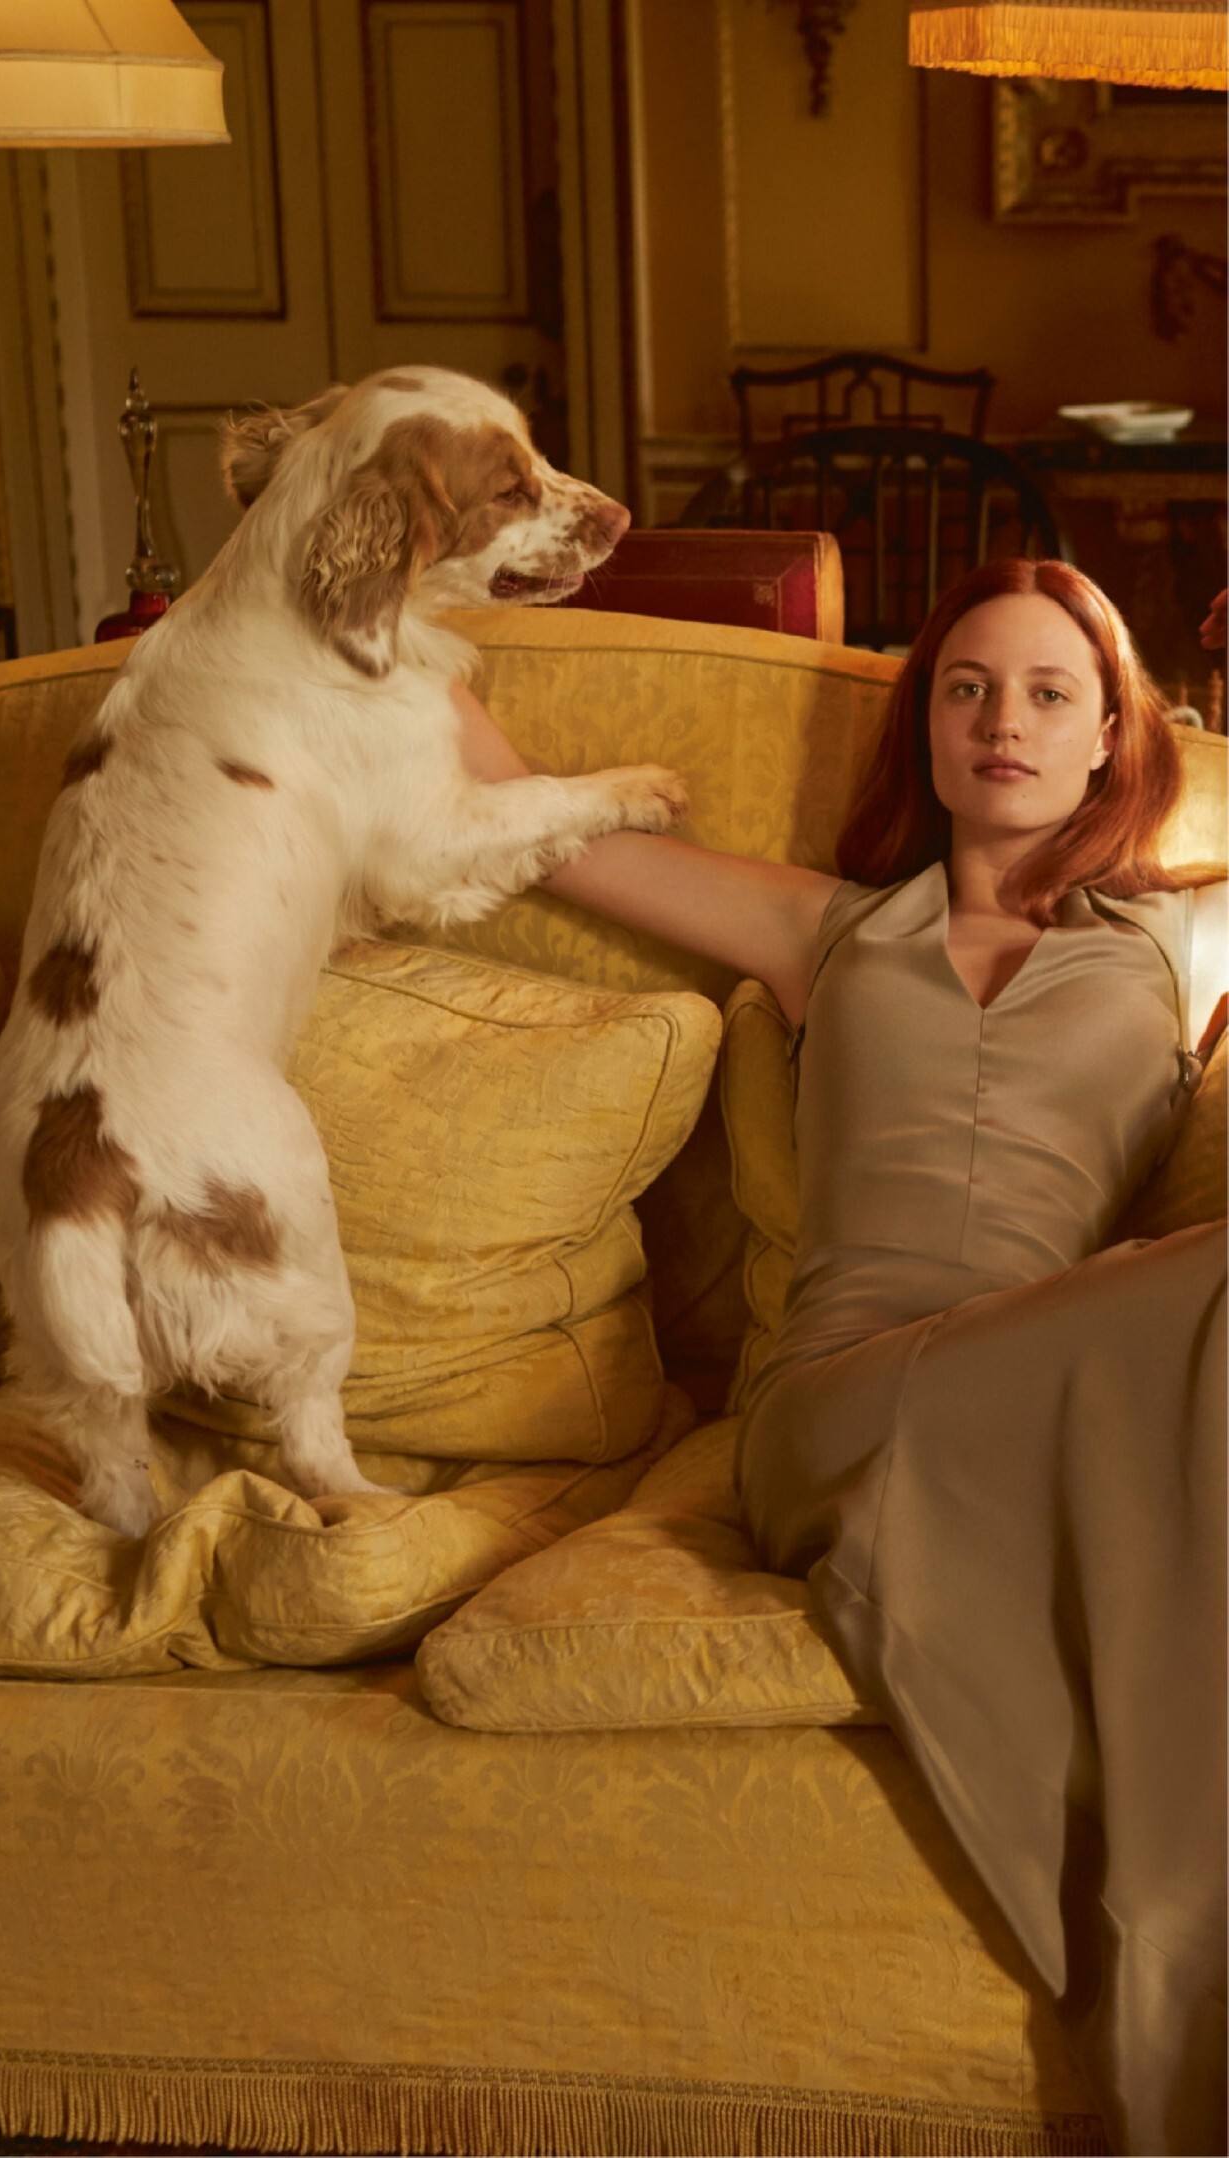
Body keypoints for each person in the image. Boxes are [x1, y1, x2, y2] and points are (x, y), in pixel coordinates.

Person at [454, 558, 1228, 2157]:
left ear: (1111, 736)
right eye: (966, 687)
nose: (1002, 721)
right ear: (925, 726)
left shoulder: (1182, 936)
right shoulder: (829, 927)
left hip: (1045, 1418)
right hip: (835, 1408)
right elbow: (524, 812)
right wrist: (369, 594)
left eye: (1049, 693)